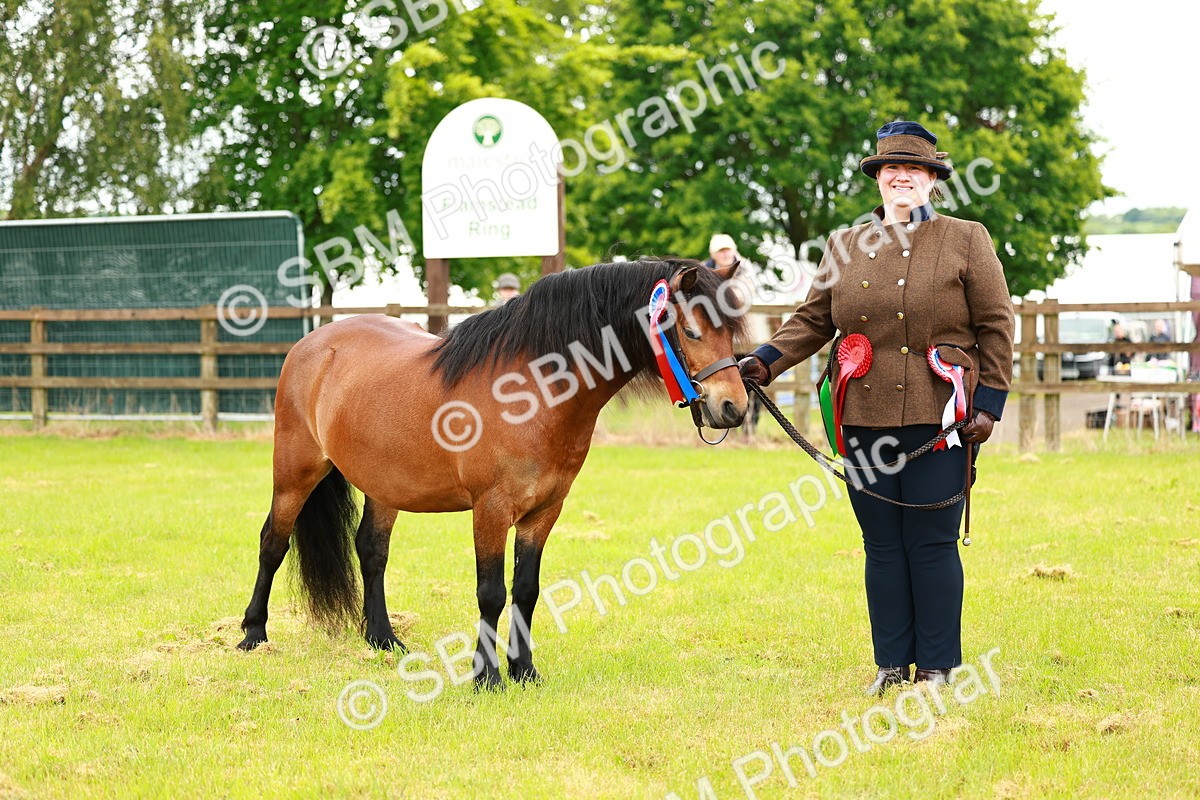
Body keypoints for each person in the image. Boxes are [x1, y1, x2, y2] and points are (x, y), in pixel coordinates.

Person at [739, 121, 1015, 695]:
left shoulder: (968, 238)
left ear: (933, 178)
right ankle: (891, 664)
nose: (901, 177)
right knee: (882, 545)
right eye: (892, 169)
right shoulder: (844, 245)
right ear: (879, 179)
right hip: (862, 419)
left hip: (945, 420)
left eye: (914, 169)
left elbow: (996, 326)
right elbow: (814, 320)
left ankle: (937, 667)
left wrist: (989, 403)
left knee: (932, 542)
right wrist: (765, 360)